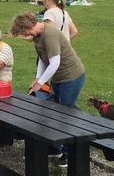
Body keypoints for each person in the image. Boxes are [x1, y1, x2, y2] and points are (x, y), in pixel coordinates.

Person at [9, 12, 86, 167]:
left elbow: (55, 63)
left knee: (65, 114)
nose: (26, 35)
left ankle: (67, 154)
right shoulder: (37, 36)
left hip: (71, 76)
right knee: (54, 110)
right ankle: (56, 147)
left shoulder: (49, 35)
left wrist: (42, 81)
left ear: (29, 25)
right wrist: (38, 79)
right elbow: (43, 60)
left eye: (25, 31)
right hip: (57, 78)